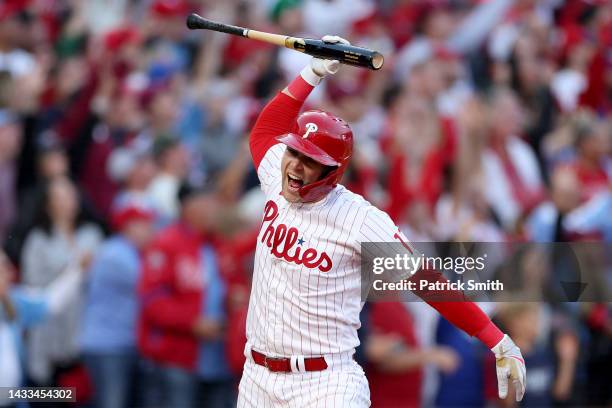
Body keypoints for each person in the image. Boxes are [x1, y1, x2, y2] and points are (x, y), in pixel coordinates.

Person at [237, 36, 527, 407]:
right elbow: (264, 131)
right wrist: (311, 73)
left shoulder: (361, 220)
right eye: (294, 151)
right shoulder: (278, 178)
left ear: (332, 171)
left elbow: (427, 282)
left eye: (309, 159)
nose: (295, 163)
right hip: (257, 378)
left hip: (325, 383)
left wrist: (496, 339)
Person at [138, 183, 233, 408]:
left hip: (220, 356)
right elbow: (152, 300)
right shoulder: (167, 242)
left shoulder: (221, 243)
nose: (215, 209)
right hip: (178, 356)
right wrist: (192, 322)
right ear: (189, 206)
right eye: (209, 202)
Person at [80, 200, 155, 408]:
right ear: (129, 226)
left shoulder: (130, 252)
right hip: (107, 344)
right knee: (112, 403)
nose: (151, 231)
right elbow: (148, 286)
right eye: (145, 225)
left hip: (122, 343)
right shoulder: (116, 253)